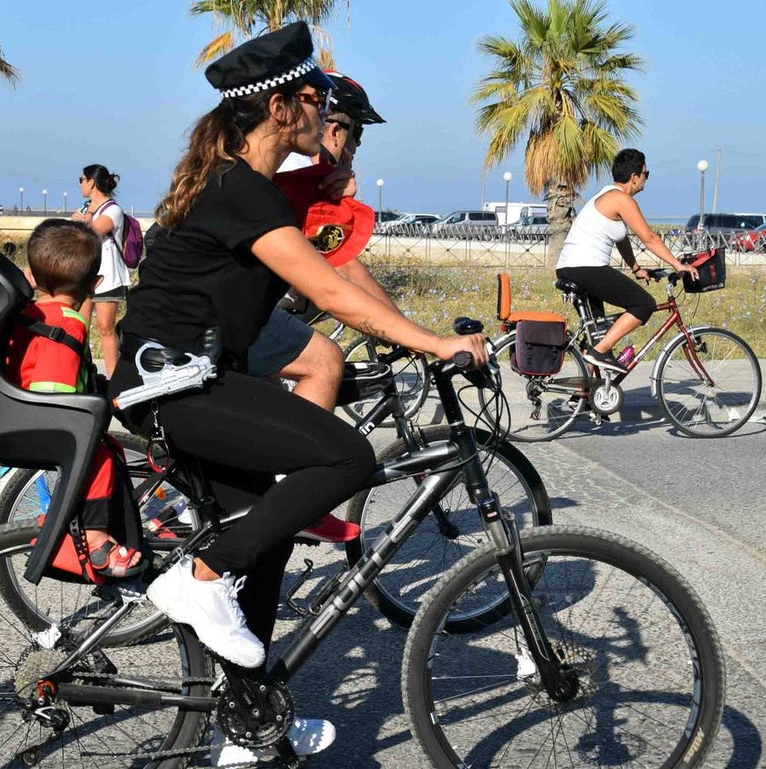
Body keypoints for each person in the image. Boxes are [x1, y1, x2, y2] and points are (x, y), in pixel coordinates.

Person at [107, 22, 486, 765]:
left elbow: (333, 280)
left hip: (187, 379)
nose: (327, 112)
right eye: (316, 99)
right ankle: (200, 577)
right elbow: (329, 291)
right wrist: (438, 343)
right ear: (281, 109)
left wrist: (410, 331)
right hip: (172, 385)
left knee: (269, 536)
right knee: (346, 457)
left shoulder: (237, 183)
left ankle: (248, 726)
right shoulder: (241, 190)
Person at [238, 71, 389, 544]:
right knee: (323, 360)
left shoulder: (289, 167)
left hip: (230, 303)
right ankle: (295, 493)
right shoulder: (308, 171)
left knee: (257, 420)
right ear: (336, 129)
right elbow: (342, 271)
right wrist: (406, 330)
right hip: (228, 310)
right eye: (356, 135)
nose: (354, 148)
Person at [4, 219, 143, 578]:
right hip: (48, 420)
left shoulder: (30, 312)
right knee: (102, 461)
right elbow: (55, 388)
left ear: (31, 276)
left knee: (107, 449)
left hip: (18, 410)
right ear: (95, 285)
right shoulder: (67, 326)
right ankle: (97, 542)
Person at [555, 148, 698, 373]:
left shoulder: (608, 194)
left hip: (570, 267)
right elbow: (649, 238)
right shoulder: (621, 199)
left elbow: (621, 239)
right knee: (644, 305)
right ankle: (599, 351)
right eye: (646, 174)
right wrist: (678, 265)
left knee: (598, 334)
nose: (645, 180)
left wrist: (636, 268)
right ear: (634, 177)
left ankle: (584, 396)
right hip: (586, 267)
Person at [71, 164, 131, 378]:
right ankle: (81, 371)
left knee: (105, 327)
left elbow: (93, 233)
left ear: (91, 182)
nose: (79, 184)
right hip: (86, 275)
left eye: (81, 179)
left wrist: (82, 221)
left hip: (108, 277)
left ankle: (114, 377)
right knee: (80, 326)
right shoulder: (87, 208)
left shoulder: (112, 210)